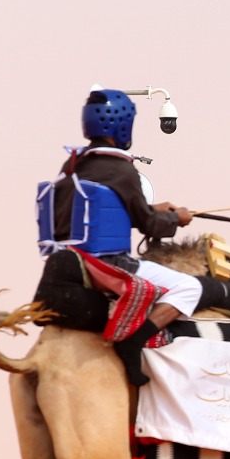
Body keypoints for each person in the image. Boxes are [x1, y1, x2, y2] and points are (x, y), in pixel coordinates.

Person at [41, 87, 204, 385]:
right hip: (109, 263)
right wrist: (176, 219)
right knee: (190, 288)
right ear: (123, 124)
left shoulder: (74, 164)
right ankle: (133, 342)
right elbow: (149, 225)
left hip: (75, 258)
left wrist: (153, 208)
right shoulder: (121, 168)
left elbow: (105, 209)